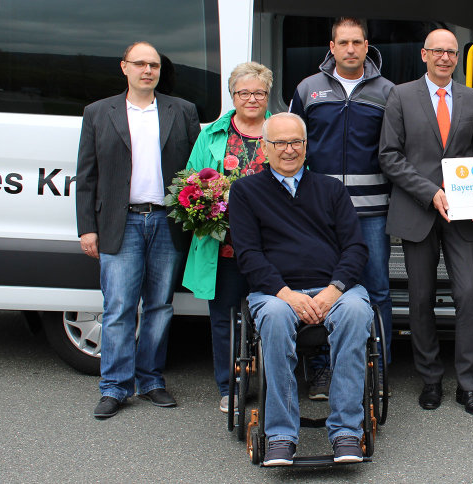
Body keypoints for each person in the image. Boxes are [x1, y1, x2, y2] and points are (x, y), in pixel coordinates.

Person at [230, 113, 372, 465]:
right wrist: (286, 294)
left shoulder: (331, 189)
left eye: (296, 142)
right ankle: (279, 434)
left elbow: (356, 248)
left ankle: (347, 432)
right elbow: (248, 255)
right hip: (276, 292)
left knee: (356, 312)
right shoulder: (245, 192)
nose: (289, 150)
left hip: (334, 290)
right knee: (276, 320)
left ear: (306, 146)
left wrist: (333, 291)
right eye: (280, 143)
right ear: (265, 148)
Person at [76, 41, 200, 419]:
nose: (148, 70)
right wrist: (88, 229)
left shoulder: (182, 111)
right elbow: (86, 176)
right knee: (118, 308)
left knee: (160, 306)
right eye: (140, 64)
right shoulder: (99, 113)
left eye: (155, 65)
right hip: (120, 222)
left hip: (166, 221)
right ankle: (114, 387)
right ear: (124, 67)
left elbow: (196, 170)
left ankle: (150, 380)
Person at [379, 29, 473, 416]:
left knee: (466, 296)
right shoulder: (401, 95)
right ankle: (430, 380)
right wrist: (428, 191)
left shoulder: (472, 98)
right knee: (421, 298)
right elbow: (389, 155)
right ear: (424, 54)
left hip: (462, 214)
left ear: (457, 58)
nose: (445, 57)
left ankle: (468, 385)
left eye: (451, 52)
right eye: (438, 51)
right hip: (418, 210)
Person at [290, 17, 394, 401]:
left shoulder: (388, 91)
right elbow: (290, 146)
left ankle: (378, 370)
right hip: (320, 212)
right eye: (343, 43)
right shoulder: (308, 89)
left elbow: (393, 150)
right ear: (331, 47)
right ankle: (321, 370)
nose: (350, 49)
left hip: (372, 210)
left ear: (367, 46)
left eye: (357, 42)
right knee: (319, 288)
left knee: (378, 290)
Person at [182, 62, 272, 413]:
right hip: (223, 245)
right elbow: (191, 181)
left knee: (272, 315)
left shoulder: (279, 130)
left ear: (267, 96)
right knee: (224, 319)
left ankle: (271, 381)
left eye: (259, 93)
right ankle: (229, 386)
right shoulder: (213, 134)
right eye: (243, 92)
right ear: (233, 96)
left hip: (270, 247)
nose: (251, 98)